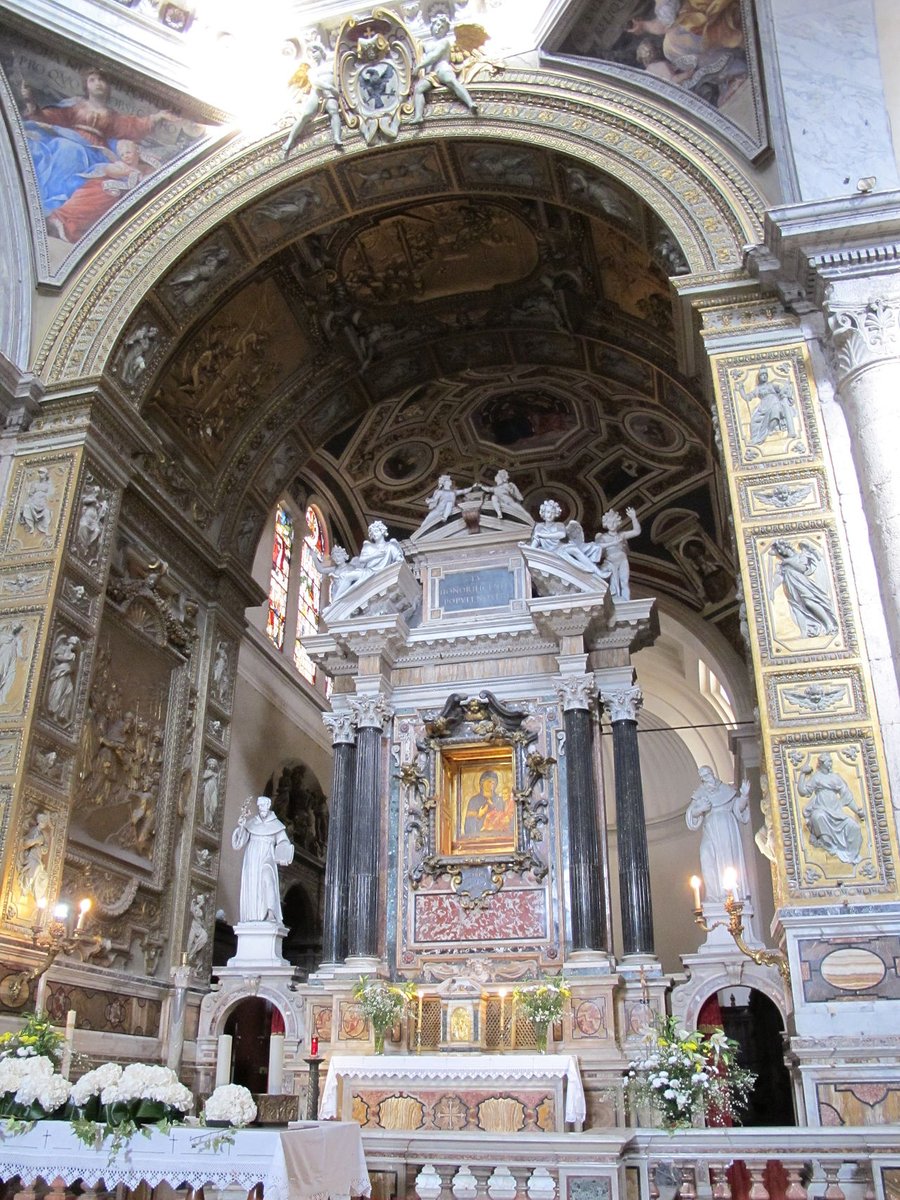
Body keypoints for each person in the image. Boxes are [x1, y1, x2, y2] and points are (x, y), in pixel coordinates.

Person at [20, 69, 173, 217]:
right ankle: (44, 198)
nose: (98, 83)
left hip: (97, 152)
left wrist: (157, 116)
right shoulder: (76, 105)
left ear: (108, 87)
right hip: (71, 139)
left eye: (102, 80)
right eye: (92, 80)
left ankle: (58, 207)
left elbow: (133, 126)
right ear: (86, 86)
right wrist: (31, 103)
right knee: (66, 148)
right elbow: (53, 116)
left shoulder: (113, 116)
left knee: (75, 154)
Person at [46, 138, 151, 243]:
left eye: (128, 152)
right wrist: (125, 172)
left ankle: (71, 225)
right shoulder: (121, 166)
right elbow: (110, 170)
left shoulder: (146, 168)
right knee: (97, 194)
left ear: (137, 151)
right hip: (109, 190)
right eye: (122, 155)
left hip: (124, 198)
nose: (126, 156)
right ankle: (62, 219)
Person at [685, 766, 750, 902]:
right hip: (710, 829)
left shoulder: (726, 789)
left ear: (712, 773)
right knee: (706, 856)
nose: (705, 777)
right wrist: (700, 809)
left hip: (726, 826)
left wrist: (744, 796)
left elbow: (738, 807)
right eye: (703, 776)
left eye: (707, 774)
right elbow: (691, 813)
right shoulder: (700, 792)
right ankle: (714, 895)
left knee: (728, 857)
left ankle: (730, 895)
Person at [231, 795, 295, 923]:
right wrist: (242, 827)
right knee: (254, 883)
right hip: (252, 858)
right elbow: (239, 843)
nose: (262, 808)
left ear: (269, 806)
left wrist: (284, 851)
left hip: (267, 855)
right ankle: (253, 915)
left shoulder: (276, 825)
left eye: (264, 805)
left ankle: (271, 913)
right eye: (260, 806)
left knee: (268, 879)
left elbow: (283, 841)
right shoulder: (252, 823)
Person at [409, 13, 478, 125]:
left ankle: (470, 103)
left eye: (443, 27)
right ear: (432, 26)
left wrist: (420, 66)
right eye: (437, 25)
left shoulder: (444, 42)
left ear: (446, 31)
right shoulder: (426, 44)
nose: (439, 28)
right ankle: (418, 116)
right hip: (431, 74)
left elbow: (435, 56)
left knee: (451, 81)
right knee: (418, 89)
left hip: (442, 68)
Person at [797, 753, 865, 865]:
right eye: (829, 761)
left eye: (831, 761)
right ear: (822, 763)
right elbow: (803, 791)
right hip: (821, 808)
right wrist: (802, 774)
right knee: (818, 817)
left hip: (836, 811)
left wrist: (857, 811)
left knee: (854, 827)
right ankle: (828, 845)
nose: (831, 763)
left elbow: (847, 796)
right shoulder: (816, 777)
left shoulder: (836, 778)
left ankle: (851, 855)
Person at [282, 41, 344, 157]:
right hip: (318, 92)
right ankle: (290, 140)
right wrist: (329, 87)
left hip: (331, 93)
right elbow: (315, 82)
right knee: (306, 114)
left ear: (321, 52)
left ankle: (337, 137)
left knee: (333, 110)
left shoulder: (331, 66)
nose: (313, 55)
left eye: (315, 52)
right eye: (311, 54)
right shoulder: (312, 70)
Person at [769, 539, 838, 638]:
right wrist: (771, 590)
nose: (779, 552)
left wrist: (788, 562)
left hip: (802, 583)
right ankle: (804, 632)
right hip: (790, 585)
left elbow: (802, 568)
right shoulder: (782, 563)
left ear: (787, 546)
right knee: (797, 607)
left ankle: (829, 624)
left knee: (809, 602)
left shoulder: (801, 556)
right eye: (778, 550)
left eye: (780, 549)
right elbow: (779, 578)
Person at [589, 507, 641, 600]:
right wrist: (613, 543)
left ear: (617, 523)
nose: (612, 524)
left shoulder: (621, 535)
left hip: (622, 560)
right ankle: (615, 597)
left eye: (614, 522)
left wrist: (633, 517)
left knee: (624, 582)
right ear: (606, 524)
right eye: (609, 522)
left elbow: (637, 531)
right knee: (612, 582)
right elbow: (598, 546)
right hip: (610, 561)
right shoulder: (603, 537)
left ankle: (626, 600)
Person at [463, 770, 501, 836]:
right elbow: (468, 828)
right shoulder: (474, 801)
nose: (491, 784)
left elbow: (505, 821)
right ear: (482, 783)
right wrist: (479, 816)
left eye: (493, 782)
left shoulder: (499, 800)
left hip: (496, 836)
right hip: (478, 838)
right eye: (489, 781)